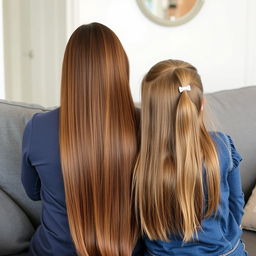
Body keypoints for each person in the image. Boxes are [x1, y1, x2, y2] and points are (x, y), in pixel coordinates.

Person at [21, 23, 143, 256]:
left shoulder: (38, 127)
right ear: (121, 67)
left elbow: (33, 192)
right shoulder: (148, 124)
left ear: (69, 71)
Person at [133, 59, 248, 255]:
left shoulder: (140, 157)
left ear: (149, 111)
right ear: (201, 105)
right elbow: (236, 207)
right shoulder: (222, 146)